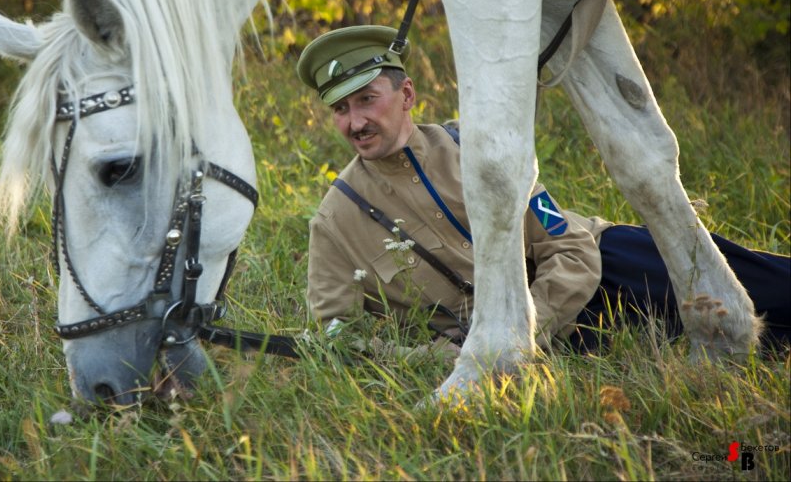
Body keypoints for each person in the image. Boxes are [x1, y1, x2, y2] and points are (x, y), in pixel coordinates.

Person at [296, 25, 790, 355]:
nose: (355, 121)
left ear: (405, 95)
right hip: (560, 344)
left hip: (606, 267)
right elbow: (339, 334)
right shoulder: (335, 219)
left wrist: (520, 331)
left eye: (367, 100)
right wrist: (428, 354)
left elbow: (569, 245)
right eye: (340, 110)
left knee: (770, 290)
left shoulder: (476, 147)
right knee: (764, 347)